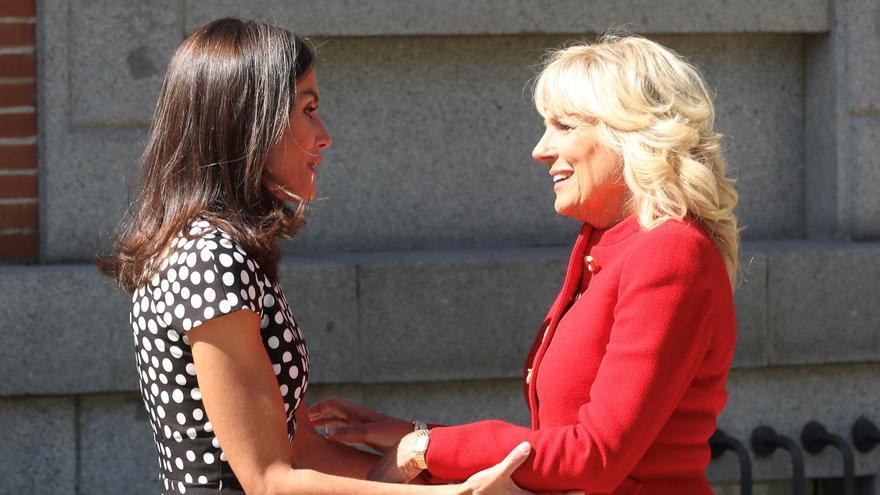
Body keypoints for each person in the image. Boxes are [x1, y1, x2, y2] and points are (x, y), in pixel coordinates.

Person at [96, 18, 542, 495]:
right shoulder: (210, 258)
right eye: (308, 109)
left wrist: (429, 466)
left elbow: (302, 450)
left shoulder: (216, 249)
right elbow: (268, 480)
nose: (324, 134)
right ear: (251, 122)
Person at [310, 33, 740, 495]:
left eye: (564, 126)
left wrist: (425, 448)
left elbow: (594, 456)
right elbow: (558, 445)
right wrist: (415, 434)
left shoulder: (670, 252)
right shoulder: (609, 241)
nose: (541, 149)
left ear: (629, 134)